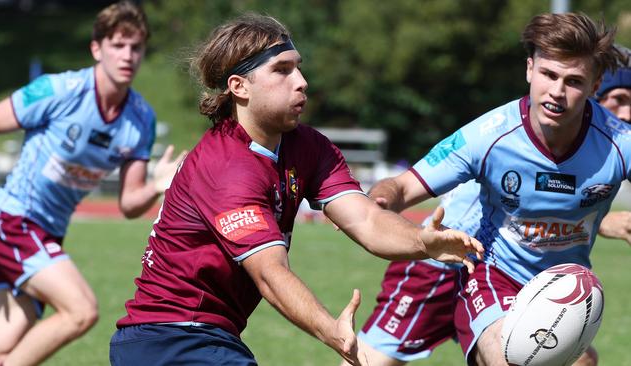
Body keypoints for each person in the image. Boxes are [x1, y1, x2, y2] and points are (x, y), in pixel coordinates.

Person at [108, 13, 484, 366]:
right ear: (239, 87)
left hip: (210, 337)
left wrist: (422, 242)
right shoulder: (226, 166)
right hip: (168, 338)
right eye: (282, 70)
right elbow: (271, 274)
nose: (301, 81)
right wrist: (330, 330)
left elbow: (366, 219)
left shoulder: (307, 146)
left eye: (298, 67)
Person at [349, 12, 626, 366]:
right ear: (529, 69)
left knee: (582, 362)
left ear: (595, 84)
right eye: (548, 75)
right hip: (492, 274)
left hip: (558, 289)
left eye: (573, 81)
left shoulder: (619, 143)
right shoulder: (488, 136)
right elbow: (401, 187)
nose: (557, 91)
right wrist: (380, 203)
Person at [0, 1, 185, 365]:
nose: (127, 55)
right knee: (81, 310)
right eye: (118, 45)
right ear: (97, 48)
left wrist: (156, 186)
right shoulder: (59, 90)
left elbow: (128, 204)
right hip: (13, 222)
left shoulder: (141, 119)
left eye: (136, 47)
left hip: (47, 235)